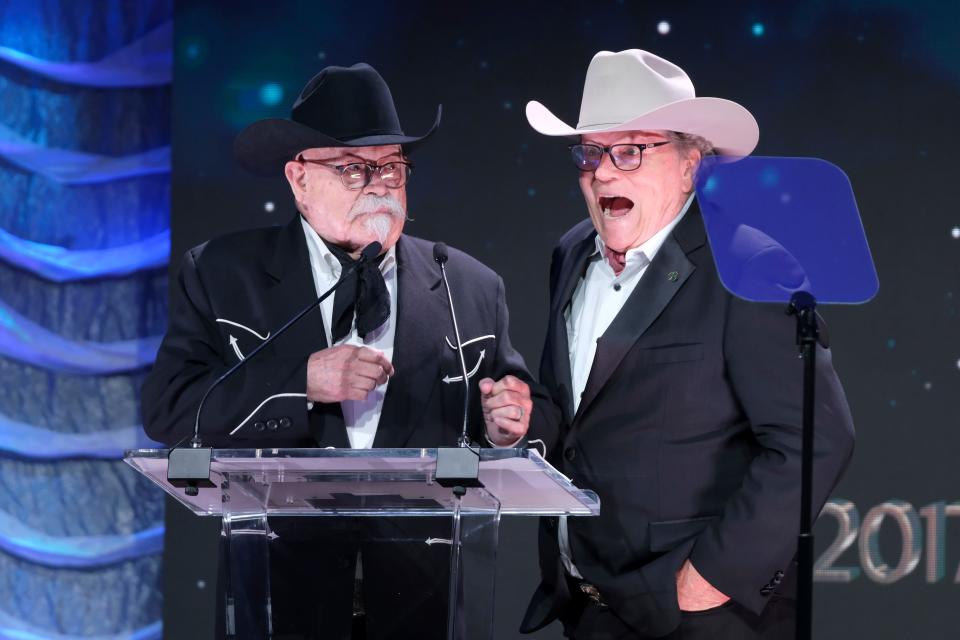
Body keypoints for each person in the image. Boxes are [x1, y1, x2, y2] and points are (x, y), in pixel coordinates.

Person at [142, 63, 552, 640]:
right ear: (299, 178)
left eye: (391, 167)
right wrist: (299, 382)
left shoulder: (469, 286)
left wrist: (506, 426)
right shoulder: (221, 274)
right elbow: (170, 412)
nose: (380, 184)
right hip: (282, 594)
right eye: (355, 168)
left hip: (426, 599)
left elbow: (514, 419)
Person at [519, 49, 855, 639]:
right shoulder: (572, 253)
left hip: (701, 617)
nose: (603, 172)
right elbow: (576, 414)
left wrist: (707, 580)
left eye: (630, 151)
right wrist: (524, 419)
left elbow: (816, 439)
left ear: (690, 165)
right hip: (592, 608)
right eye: (591, 153)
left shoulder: (747, 266)